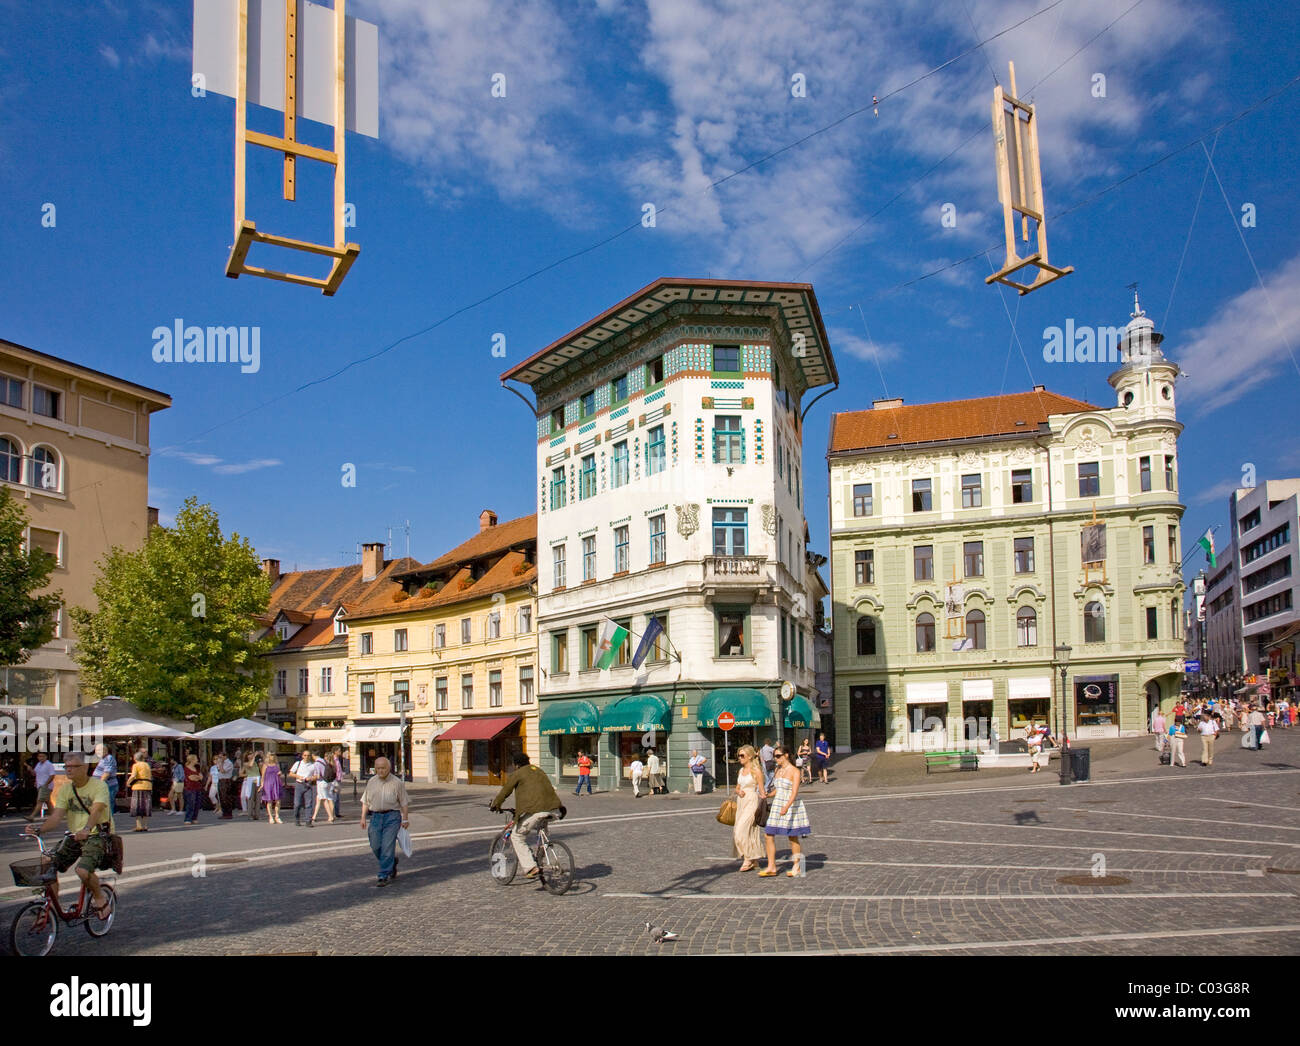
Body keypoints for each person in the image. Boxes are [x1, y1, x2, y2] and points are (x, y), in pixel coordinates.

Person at [24, 752, 113, 920]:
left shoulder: (98, 786)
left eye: (73, 766)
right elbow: (56, 817)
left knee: (82, 870)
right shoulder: (66, 789)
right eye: (67, 767)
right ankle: (51, 906)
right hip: (74, 836)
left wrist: (87, 828)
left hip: (96, 835)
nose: (69, 770)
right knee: (47, 862)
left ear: (85, 767)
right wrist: (39, 830)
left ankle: (100, 898)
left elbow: (97, 809)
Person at [489, 752, 562, 882]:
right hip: (554, 809)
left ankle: (531, 867)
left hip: (535, 811)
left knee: (516, 836)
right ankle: (541, 856)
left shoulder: (518, 773)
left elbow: (506, 790)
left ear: (516, 765)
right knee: (541, 831)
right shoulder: (538, 770)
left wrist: (496, 804)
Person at [759, 744, 810, 877]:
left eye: (778, 756)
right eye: (774, 756)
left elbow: (794, 792)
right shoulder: (777, 770)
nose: (776, 759)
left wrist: (786, 807)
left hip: (791, 805)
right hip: (777, 804)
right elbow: (778, 789)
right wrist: (768, 795)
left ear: (786, 755)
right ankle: (771, 866)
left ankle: (797, 866)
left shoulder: (795, 771)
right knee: (768, 834)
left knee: (792, 836)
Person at [360, 756, 410, 887]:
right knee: (375, 845)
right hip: (376, 816)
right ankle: (391, 862)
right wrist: (363, 817)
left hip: (392, 816)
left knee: (387, 845)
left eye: (383, 768)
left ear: (389, 768)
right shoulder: (371, 781)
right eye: (378, 768)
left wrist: (405, 818)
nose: (380, 771)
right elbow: (366, 800)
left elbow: (404, 802)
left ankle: (384, 874)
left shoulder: (397, 782)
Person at [731, 745, 765, 872]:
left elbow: (762, 791)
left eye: (742, 755)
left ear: (750, 756)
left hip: (752, 801)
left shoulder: (756, 771)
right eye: (739, 755)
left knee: (741, 830)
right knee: (744, 832)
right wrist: (738, 792)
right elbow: (737, 787)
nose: (740, 758)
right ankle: (753, 858)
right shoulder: (741, 771)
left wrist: (763, 805)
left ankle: (748, 859)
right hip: (741, 801)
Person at [126, 749, 153, 831]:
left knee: (137, 806)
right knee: (145, 806)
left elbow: (133, 775)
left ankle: (139, 826)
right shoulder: (147, 765)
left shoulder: (136, 765)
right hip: (148, 786)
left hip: (138, 786)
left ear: (135, 758)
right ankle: (145, 825)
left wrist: (128, 782)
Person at [26, 752, 57, 821]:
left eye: (43, 756)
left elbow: (52, 775)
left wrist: (46, 784)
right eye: (39, 756)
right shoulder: (38, 764)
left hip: (45, 786)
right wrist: (30, 769)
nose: (41, 758)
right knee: (47, 801)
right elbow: (34, 774)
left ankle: (32, 816)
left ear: (46, 757)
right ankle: (54, 816)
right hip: (39, 786)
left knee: (39, 801)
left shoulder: (49, 765)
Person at [290, 750, 317, 826]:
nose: (306, 757)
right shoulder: (298, 764)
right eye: (305, 755)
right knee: (297, 804)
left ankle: (308, 821)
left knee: (309, 803)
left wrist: (311, 778)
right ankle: (296, 818)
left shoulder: (313, 765)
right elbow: (291, 773)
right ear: (302, 756)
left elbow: (316, 776)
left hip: (308, 785)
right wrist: (298, 776)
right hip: (299, 784)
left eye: (308, 755)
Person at [93, 744, 119, 820]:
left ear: (105, 750)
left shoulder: (108, 758)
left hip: (108, 786)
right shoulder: (103, 758)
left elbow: (107, 773)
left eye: (98, 750)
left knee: (107, 805)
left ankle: (109, 824)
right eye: (96, 751)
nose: (96, 752)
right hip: (104, 785)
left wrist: (99, 784)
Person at [311, 749, 336, 825]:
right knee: (319, 799)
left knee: (324, 800)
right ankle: (314, 817)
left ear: (313, 756)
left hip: (321, 783)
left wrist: (311, 778)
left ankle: (330, 816)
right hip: (328, 782)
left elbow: (318, 775)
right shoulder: (323, 760)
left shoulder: (316, 763)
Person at [260, 753, 283, 823]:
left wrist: (280, 773)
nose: (272, 757)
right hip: (268, 783)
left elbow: (279, 772)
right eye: (271, 755)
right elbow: (263, 775)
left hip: (276, 782)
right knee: (269, 800)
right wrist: (262, 785)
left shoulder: (276, 764)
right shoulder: (265, 765)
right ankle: (270, 816)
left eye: (273, 755)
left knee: (278, 800)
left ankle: (277, 815)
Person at [182, 754, 204, 824]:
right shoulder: (186, 768)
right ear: (192, 760)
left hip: (198, 787)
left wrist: (196, 777)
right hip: (190, 788)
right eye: (196, 759)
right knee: (190, 803)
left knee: (197, 804)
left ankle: (194, 818)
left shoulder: (196, 768)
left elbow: (201, 777)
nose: (197, 760)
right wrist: (196, 777)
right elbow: (191, 778)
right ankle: (188, 818)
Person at [240, 751, 261, 820]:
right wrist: (247, 775)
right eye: (249, 754)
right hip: (250, 781)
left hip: (257, 780)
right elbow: (249, 766)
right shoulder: (246, 763)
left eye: (251, 754)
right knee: (250, 798)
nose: (251, 755)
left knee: (258, 798)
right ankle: (250, 814)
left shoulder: (257, 763)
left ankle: (257, 814)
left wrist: (262, 755)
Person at [216, 749, 236, 818]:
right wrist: (219, 763)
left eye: (221, 757)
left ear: (225, 756)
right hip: (220, 780)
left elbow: (222, 771)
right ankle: (224, 813)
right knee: (221, 797)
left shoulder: (229, 763)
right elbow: (218, 769)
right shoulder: (220, 762)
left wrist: (221, 763)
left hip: (226, 781)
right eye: (219, 757)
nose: (220, 759)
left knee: (226, 797)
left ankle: (228, 813)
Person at [330, 748, 346, 820]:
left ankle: (337, 813)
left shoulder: (337, 759)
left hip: (338, 780)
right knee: (334, 798)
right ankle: (332, 814)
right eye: (339, 751)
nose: (340, 752)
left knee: (337, 798)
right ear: (335, 751)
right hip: (334, 780)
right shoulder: (333, 759)